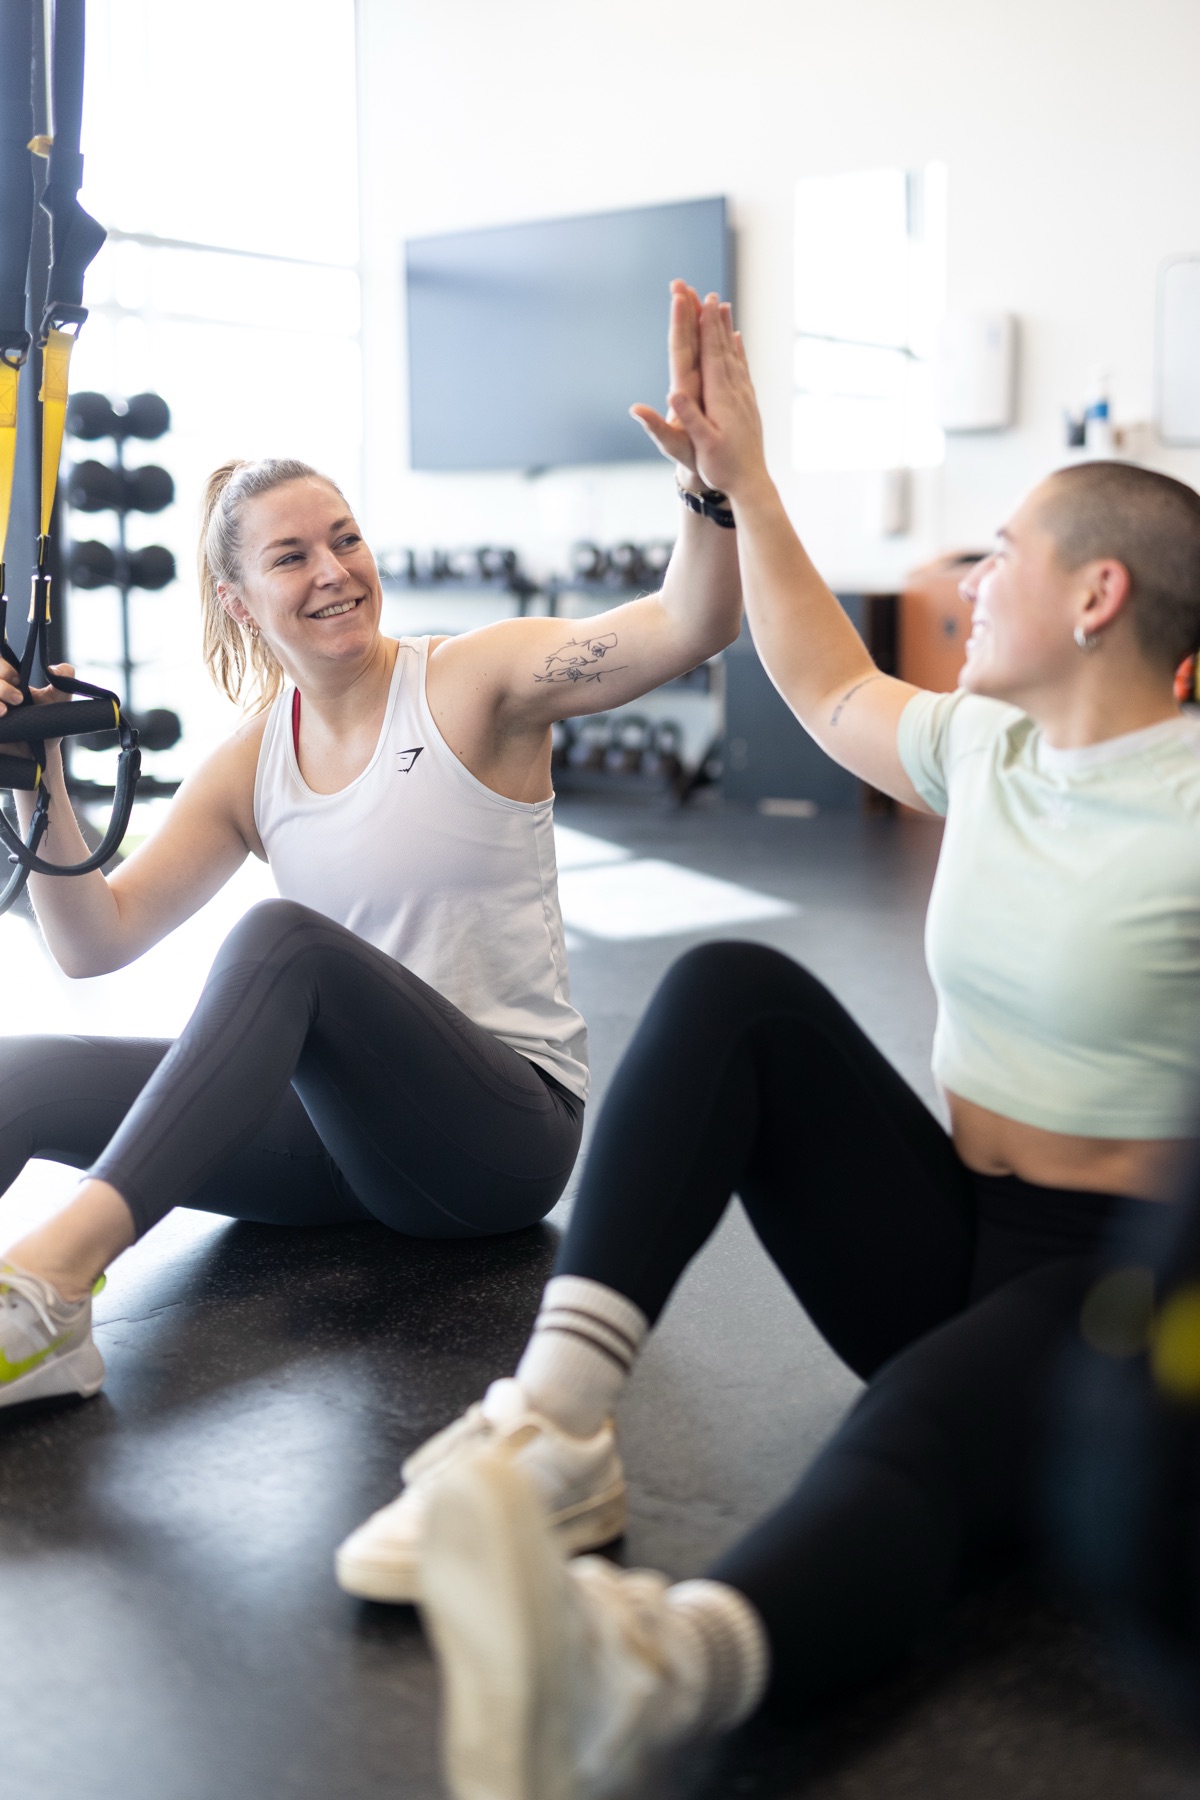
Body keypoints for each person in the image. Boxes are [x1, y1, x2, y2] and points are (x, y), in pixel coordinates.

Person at [349, 289, 1200, 1800]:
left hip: (1121, 1296)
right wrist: (739, 481)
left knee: (913, 1428)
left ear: (1099, 595)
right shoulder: (997, 745)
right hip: (952, 1234)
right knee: (729, 988)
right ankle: (553, 1424)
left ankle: (655, 1671)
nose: (971, 576)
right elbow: (824, 680)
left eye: (1003, 551)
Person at [0, 285, 743, 1412]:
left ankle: (54, 1277)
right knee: (23, 1071)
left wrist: (709, 492)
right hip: (341, 1146)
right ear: (239, 601)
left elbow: (690, 623)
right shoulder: (253, 760)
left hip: (500, 1140)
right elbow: (91, 941)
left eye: (345, 538)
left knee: (283, 943)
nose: (334, 570)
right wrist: (36, 769)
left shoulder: (476, 681)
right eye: (292, 556)